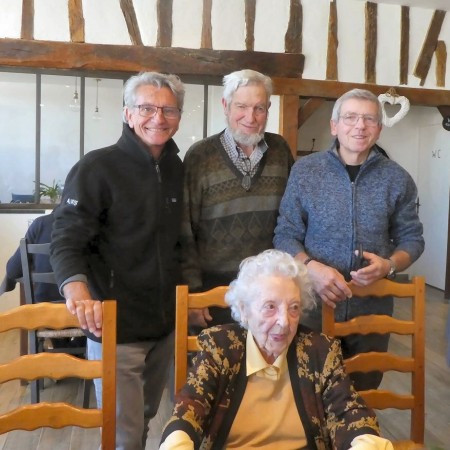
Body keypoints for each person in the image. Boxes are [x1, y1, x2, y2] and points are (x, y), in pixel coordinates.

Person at [50, 72, 185, 450]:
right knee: (122, 434)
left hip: (163, 324)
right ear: (128, 113)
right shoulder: (96, 167)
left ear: (178, 116)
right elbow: (66, 238)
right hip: (114, 322)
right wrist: (77, 291)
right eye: (146, 108)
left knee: (143, 418)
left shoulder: (177, 169)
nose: (157, 117)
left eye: (168, 109)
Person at [159, 249, 394, 450]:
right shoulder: (220, 347)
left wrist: (365, 442)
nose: (284, 321)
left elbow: (348, 409)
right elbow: (191, 406)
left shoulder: (318, 351)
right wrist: (178, 441)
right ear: (244, 310)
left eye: (293, 307)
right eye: (270, 307)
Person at [274, 88, 424, 391]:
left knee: (364, 390)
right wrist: (310, 268)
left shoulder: (398, 179)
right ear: (334, 125)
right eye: (351, 117)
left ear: (379, 129)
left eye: (369, 119)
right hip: (313, 303)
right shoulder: (306, 171)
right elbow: (285, 234)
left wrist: (389, 266)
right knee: (306, 389)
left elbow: (413, 238)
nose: (360, 126)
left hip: (372, 306)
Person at [181, 69, 294, 328]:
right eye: (241, 106)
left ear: (269, 108)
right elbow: (184, 231)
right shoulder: (200, 156)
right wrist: (194, 294)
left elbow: (292, 219)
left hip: (270, 290)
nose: (250, 117)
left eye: (259, 108)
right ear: (226, 105)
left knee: (265, 367)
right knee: (218, 366)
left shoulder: (280, 151)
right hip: (213, 292)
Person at [0, 212, 62, 302]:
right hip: (83, 310)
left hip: (42, 309)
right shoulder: (88, 225)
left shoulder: (41, 223)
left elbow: (13, 271)